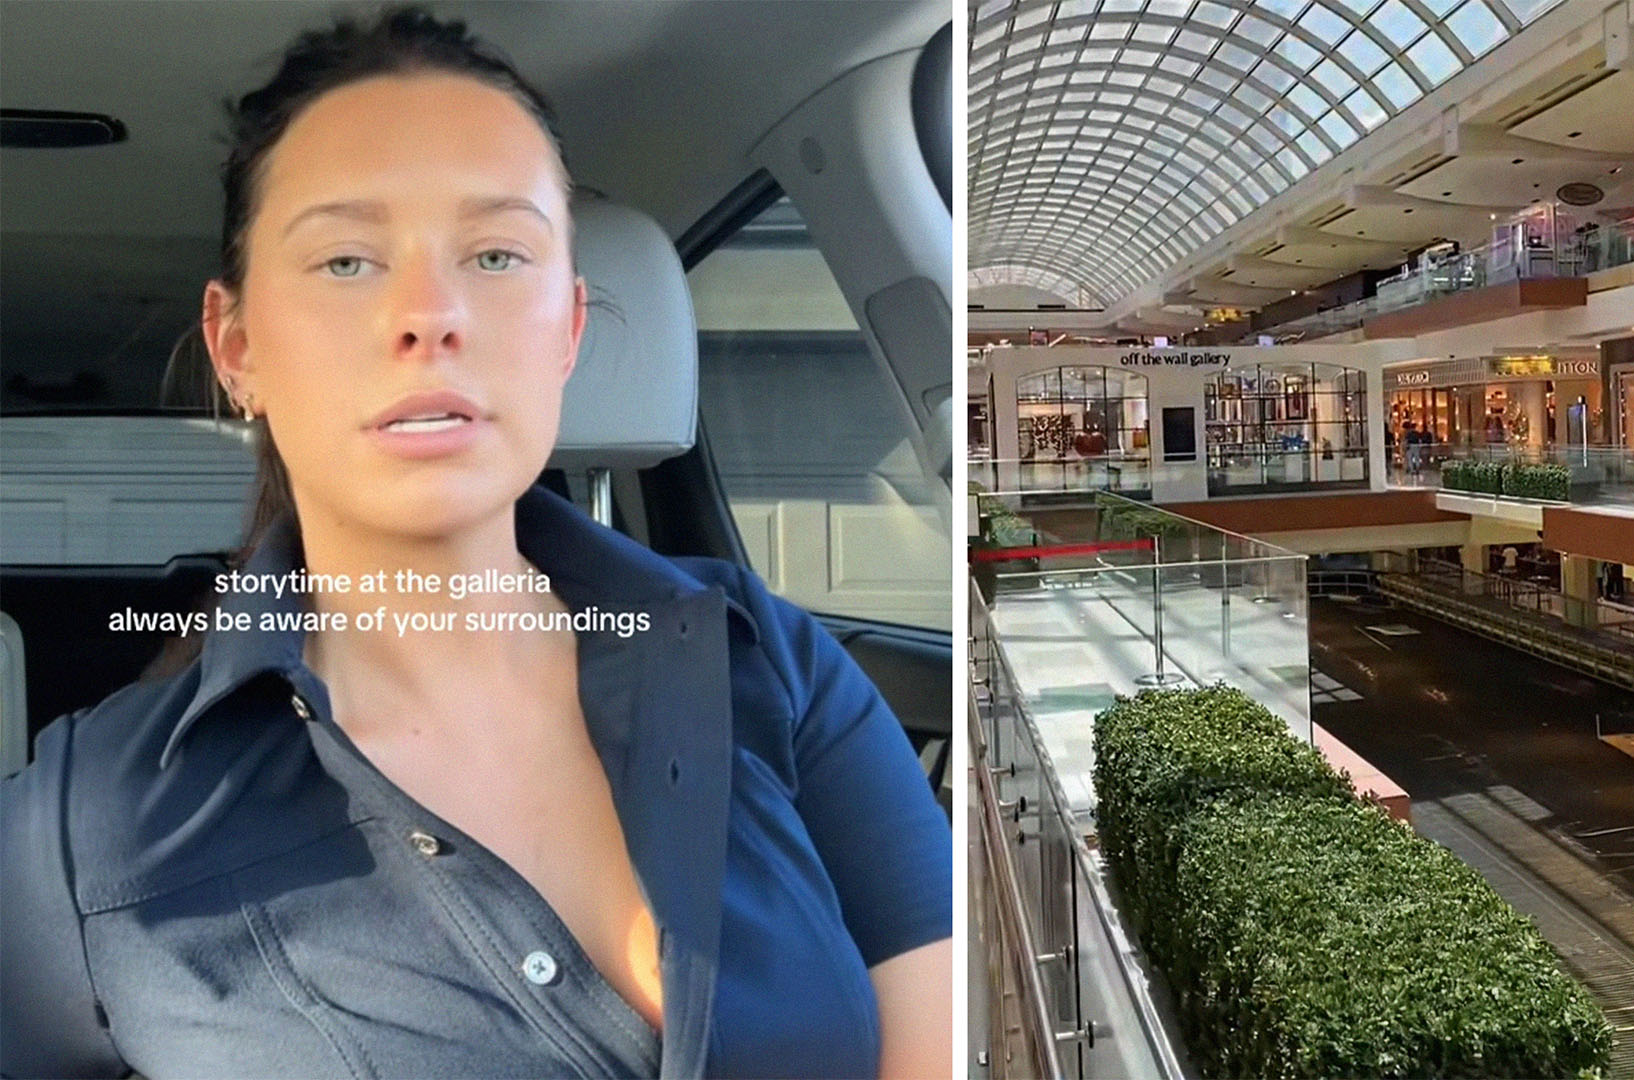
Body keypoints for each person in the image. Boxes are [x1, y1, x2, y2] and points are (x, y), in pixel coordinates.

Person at [0, 10, 950, 1079]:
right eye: (347, 260)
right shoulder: (86, 826)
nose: (429, 314)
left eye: (496, 253)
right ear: (239, 347)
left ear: (569, 330)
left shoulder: (768, 661)